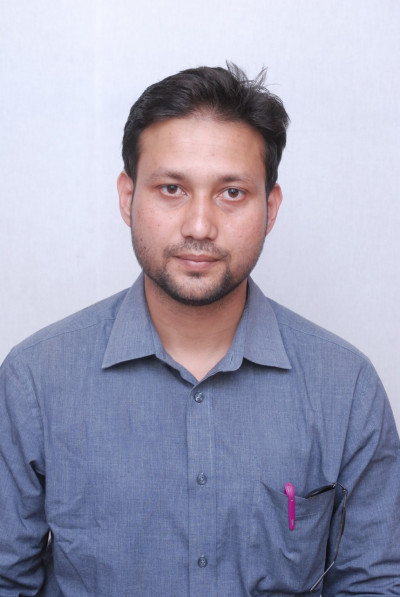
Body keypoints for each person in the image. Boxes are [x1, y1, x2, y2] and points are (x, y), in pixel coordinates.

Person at [0, 63, 399, 597]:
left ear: (270, 208)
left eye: (231, 192)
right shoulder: (33, 380)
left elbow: (374, 583)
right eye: (172, 188)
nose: (199, 226)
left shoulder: (346, 387)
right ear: (127, 197)